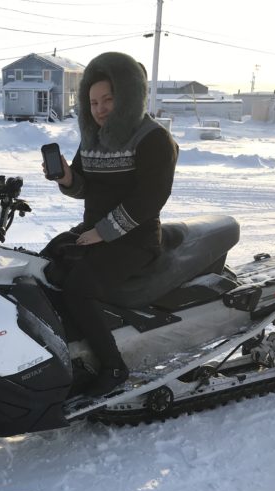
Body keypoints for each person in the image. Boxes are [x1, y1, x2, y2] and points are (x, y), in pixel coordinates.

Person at [41, 51, 179, 396]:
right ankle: (66, 351)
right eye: (93, 102)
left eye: (109, 99)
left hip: (136, 240)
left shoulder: (153, 138)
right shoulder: (95, 138)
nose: (100, 108)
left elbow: (149, 199)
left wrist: (101, 233)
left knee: (79, 288)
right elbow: (84, 187)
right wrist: (68, 178)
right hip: (95, 232)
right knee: (44, 265)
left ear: (129, 96)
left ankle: (113, 366)